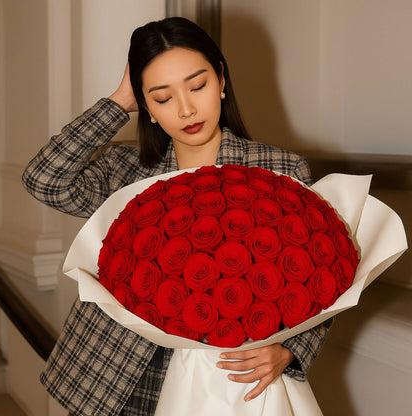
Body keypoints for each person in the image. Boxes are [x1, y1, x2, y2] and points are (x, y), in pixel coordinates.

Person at [22, 17, 331, 416]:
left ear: (221, 78)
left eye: (197, 85)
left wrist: (291, 350)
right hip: (119, 374)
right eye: (162, 98)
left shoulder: (280, 168)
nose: (186, 109)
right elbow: (44, 180)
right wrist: (119, 102)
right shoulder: (125, 170)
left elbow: (323, 279)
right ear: (146, 106)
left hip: (228, 382)